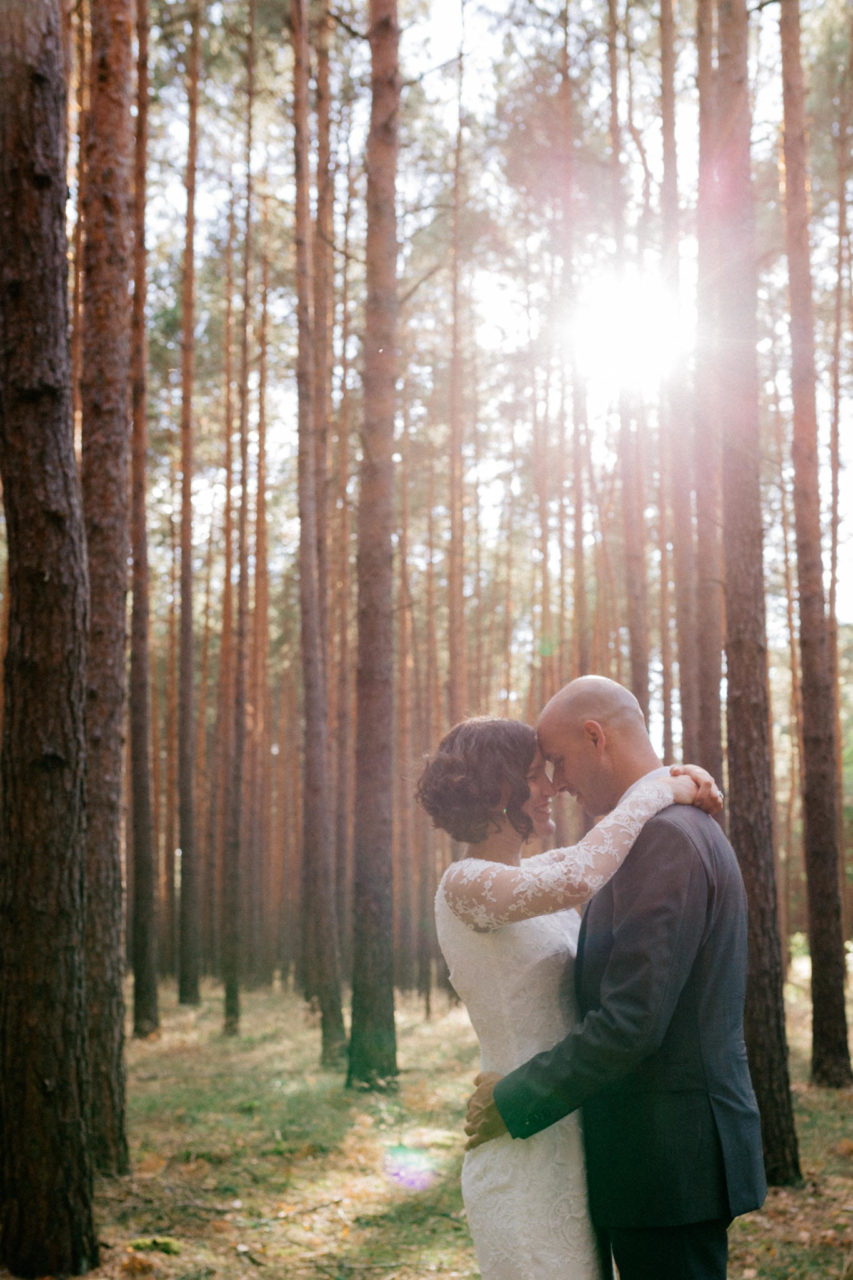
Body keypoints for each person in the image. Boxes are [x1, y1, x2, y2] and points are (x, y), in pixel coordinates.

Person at [464, 677, 767, 1280]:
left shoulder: (665, 840)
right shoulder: (661, 830)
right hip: (664, 1160)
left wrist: (513, 1098)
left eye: (558, 762)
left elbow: (632, 1020)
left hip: (668, 1163)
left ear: (596, 737)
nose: (558, 784)